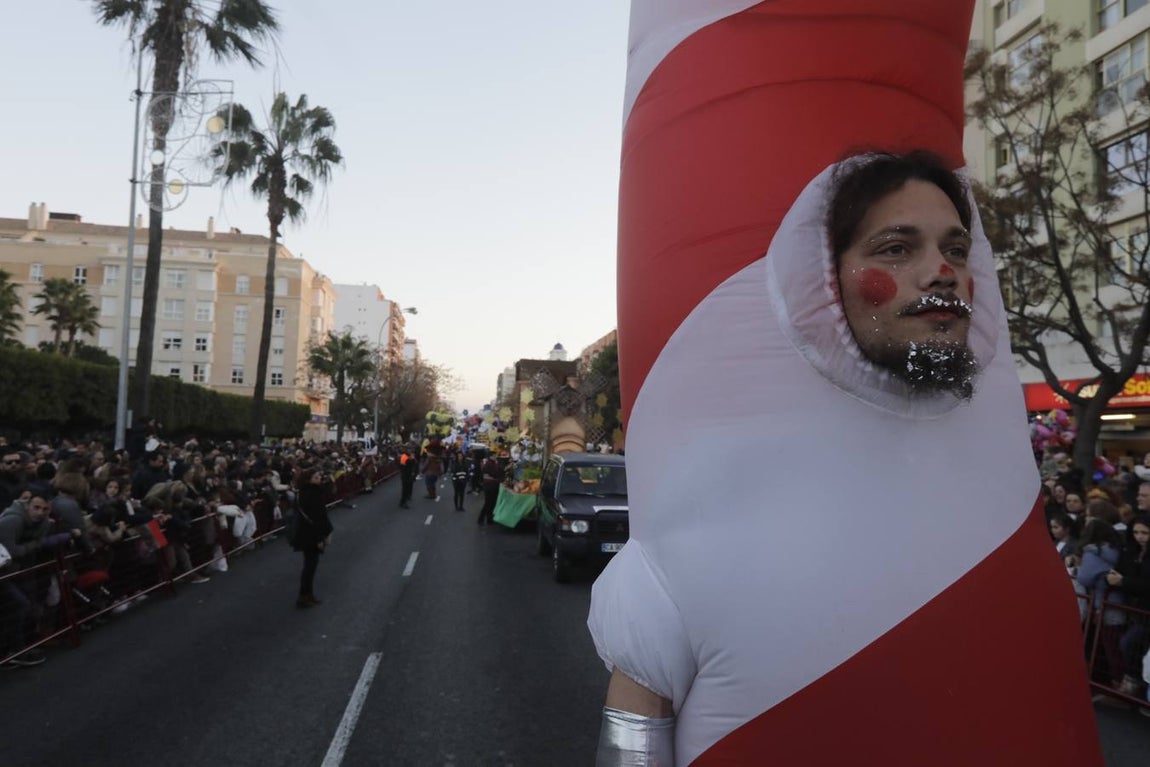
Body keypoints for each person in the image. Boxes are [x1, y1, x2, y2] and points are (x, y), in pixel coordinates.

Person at [590, 131, 1100, 762]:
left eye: (957, 249)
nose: (942, 270)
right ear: (826, 282)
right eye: (895, 247)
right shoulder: (711, 525)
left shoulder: (1012, 511)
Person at [1106, 516, 1150, 698]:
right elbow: (1118, 571)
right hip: (1134, 610)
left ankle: (1134, 681)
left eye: (1145, 533)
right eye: (1136, 532)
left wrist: (1123, 581)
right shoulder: (1130, 551)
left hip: (1145, 612)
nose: (1140, 537)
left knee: (1129, 643)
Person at [292, 468, 333, 608]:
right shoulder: (311, 494)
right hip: (311, 535)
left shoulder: (303, 493)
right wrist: (321, 537)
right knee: (310, 566)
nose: (319, 479)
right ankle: (304, 596)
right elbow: (318, 517)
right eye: (316, 477)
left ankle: (307, 594)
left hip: (306, 534)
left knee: (310, 565)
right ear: (308, 479)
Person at [477, 452, 503, 526]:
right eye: (494, 456)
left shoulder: (492, 463)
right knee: (488, 503)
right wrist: (499, 478)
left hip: (491, 486)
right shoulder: (489, 464)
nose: (496, 457)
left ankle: (489, 518)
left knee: (491, 503)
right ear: (491, 456)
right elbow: (495, 473)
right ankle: (481, 518)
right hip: (490, 486)